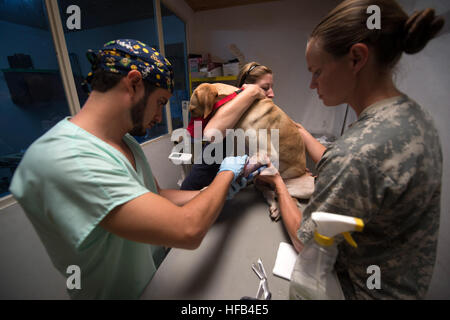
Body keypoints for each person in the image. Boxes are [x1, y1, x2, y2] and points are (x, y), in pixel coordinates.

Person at [9, 39, 250, 299]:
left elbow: (155, 194)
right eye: (159, 102)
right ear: (134, 83)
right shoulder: (65, 157)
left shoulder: (125, 141)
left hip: (157, 281)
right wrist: (225, 174)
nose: (159, 117)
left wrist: (210, 192)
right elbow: (187, 229)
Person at [256, 0, 444, 299]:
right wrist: (302, 132)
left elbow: (308, 244)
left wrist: (278, 183)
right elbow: (359, 168)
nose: (312, 84)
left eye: (317, 71)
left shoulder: (356, 153)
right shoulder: (414, 116)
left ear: (356, 58)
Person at [180, 62, 274, 190]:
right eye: (265, 88)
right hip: (195, 194)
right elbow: (212, 134)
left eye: (271, 87)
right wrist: (251, 92)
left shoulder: (257, 120)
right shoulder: (231, 117)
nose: (271, 94)